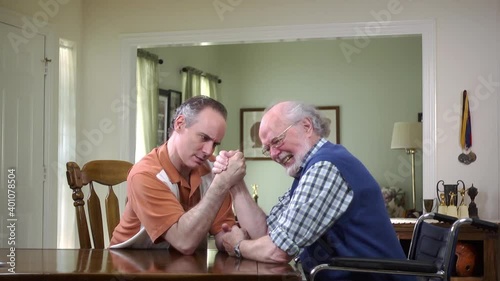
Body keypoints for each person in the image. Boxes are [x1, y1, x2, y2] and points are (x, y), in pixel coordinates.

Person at [213, 101, 414, 281]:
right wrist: (236, 182)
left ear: (306, 127)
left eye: (277, 141)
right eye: (267, 148)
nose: (273, 154)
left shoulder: (325, 167)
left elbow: (277, 251)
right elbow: (267, 232)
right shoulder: (308, 169)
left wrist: (238, 246)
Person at [110, 96, 249, 254]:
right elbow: (184, 242)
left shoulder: (212, 167)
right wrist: (221, 184)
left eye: (215, 144)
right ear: (180, 124)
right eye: (204, 138)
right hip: (131, 266)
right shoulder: (145, 175)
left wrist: (232, 239)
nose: (208, 151)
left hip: (184, 269)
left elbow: (222, 229)